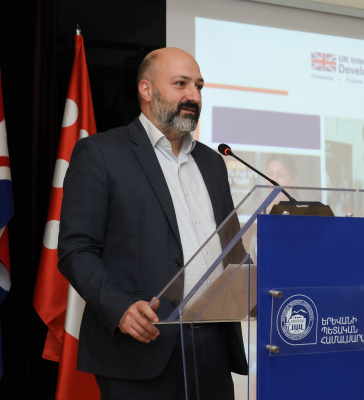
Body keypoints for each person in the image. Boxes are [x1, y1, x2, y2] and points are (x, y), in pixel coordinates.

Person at [58, 48, 247, 400]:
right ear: (146, 90)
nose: (194, 96)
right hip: (141, 347)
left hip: (213, 348)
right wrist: (119, 308)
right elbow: (76, 249)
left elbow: (231, 248)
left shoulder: (212, 162)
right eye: (181, 84)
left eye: (198, 86)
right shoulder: (101, 153)